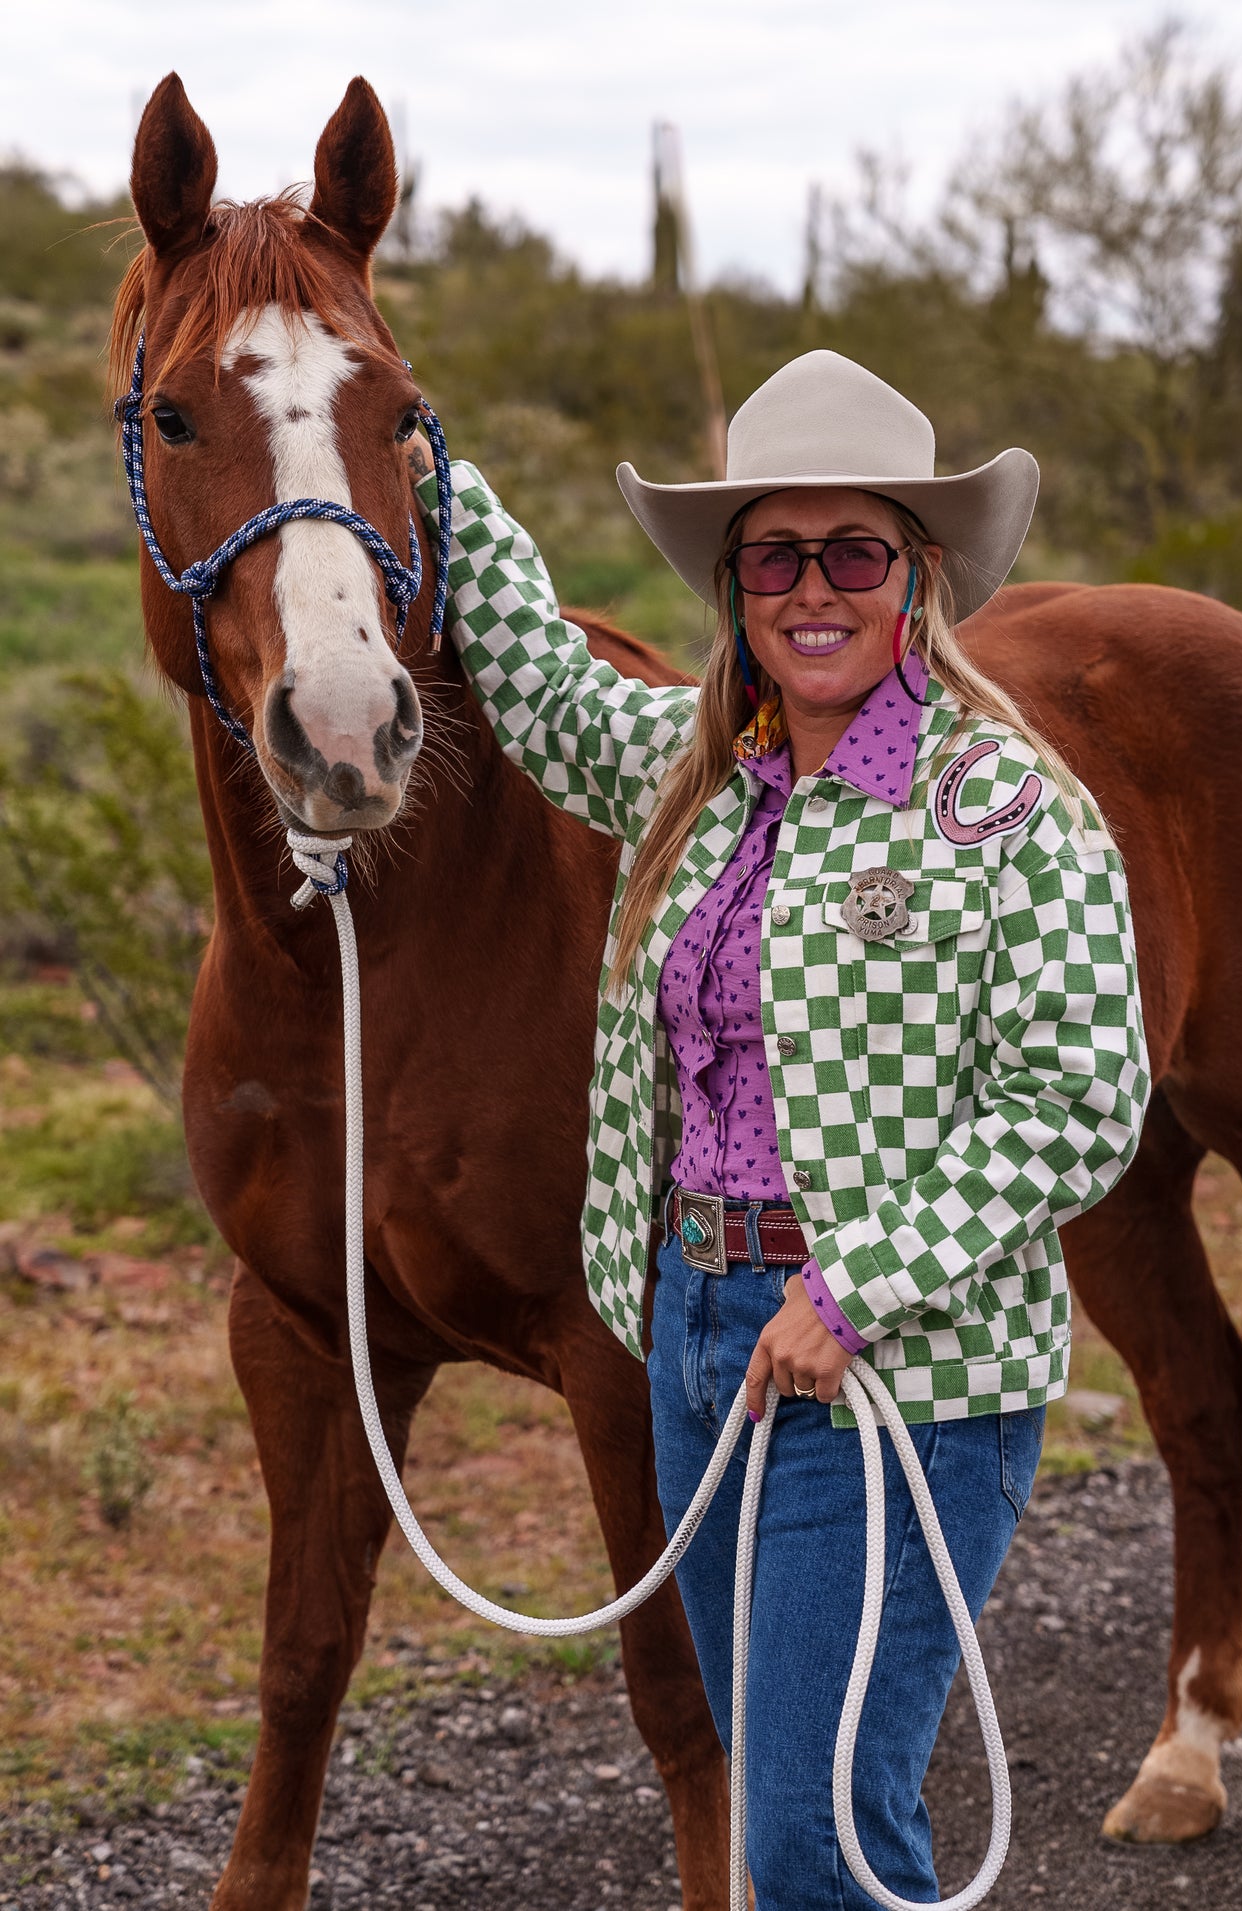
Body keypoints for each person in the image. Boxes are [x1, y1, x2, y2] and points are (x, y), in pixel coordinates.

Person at [410, 350, 1149, 1908]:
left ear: (916, 576)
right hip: (700, 1335)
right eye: (773, 556)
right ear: (736, 582)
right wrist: (410, 449)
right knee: (785, 1811)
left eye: (853, 553)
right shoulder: (703, 780)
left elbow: (1081, 1099)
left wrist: (851, 1287)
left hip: (897, 1368)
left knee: (819, 1831)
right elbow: (539, 686)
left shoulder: (1007, 810)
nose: (812, 589)